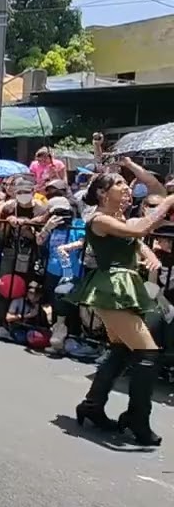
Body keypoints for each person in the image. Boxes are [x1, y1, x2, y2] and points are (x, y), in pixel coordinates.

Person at [70, 173, 174, 446]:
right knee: (147, 352)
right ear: (103, 193)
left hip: (124, 285)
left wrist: (150, 255)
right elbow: (138, 232)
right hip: (111, 288)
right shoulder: (99, 219)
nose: (127, 190)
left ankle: (92, 406)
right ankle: (137, 419)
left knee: (121, 349)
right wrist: (167, 203)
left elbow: (137, 241)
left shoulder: (117, 220)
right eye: (120, 185)